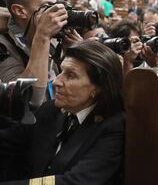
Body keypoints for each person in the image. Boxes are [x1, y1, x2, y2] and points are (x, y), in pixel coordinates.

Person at [0, 40, 124, 184]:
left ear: (98, 87)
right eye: (61, 71)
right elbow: (7, 142)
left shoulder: (114, 126)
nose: (56, 82)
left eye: (71, 75)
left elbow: (74, 181)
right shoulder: (52, 109)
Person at [0, 0, 68, 107]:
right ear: (20, 11)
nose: (54, 13)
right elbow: (28, 98)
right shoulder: (3, 45)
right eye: (47, 6)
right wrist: (42, 36)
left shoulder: (53, 39)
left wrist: (71, 50)